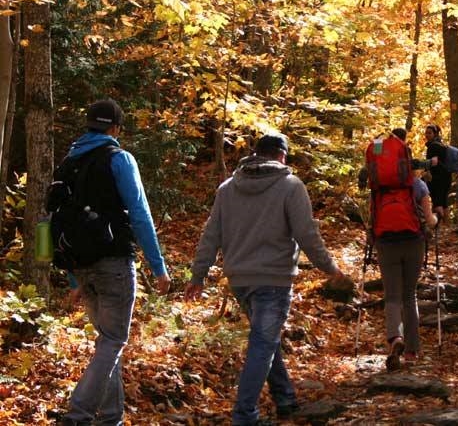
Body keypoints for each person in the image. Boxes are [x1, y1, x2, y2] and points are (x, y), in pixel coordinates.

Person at [185, 132, 353, 426]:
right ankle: (245, 416)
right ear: (282, 156)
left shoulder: (227, 188)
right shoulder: (290, 186)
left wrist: (198, 275)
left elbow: (210, 236)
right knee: (262, 345)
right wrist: (330, 269)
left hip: (240, 280)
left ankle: (285, 398)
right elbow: (307, 235)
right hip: (273, 280)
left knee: (267, 341)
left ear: (256, 154)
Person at [59, 99, 171, 426]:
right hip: (114, 265)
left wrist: (73, 278)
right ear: (115, 129)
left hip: (81, 264)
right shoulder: (119, 158)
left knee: (108, 343)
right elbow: (139, 214)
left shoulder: (69, 162)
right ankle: (77, 414)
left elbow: (54, 219)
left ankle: (111, 418)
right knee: (113, 341)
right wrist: (158, 267)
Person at [371, 128, 438, 370]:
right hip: (413, 241)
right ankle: (411, 350)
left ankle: (395, 338)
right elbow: (429, 220)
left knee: (392, 296)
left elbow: (373, 216)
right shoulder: (418, 186)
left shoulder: (378, 187)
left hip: (386, 242)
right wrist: (436, 220)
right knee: (409, 295)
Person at [423, 124, 452, 224]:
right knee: (444, 202)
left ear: (435, 134)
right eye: (426, 133)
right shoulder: (442, 145)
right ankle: (447, 226)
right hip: (446, 177)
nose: (427, 135)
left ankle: (437, 229)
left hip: (438, 179)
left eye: (429, 133)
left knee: (437, 202)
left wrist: (427, 173)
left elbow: (432, 163)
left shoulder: (433, 146)